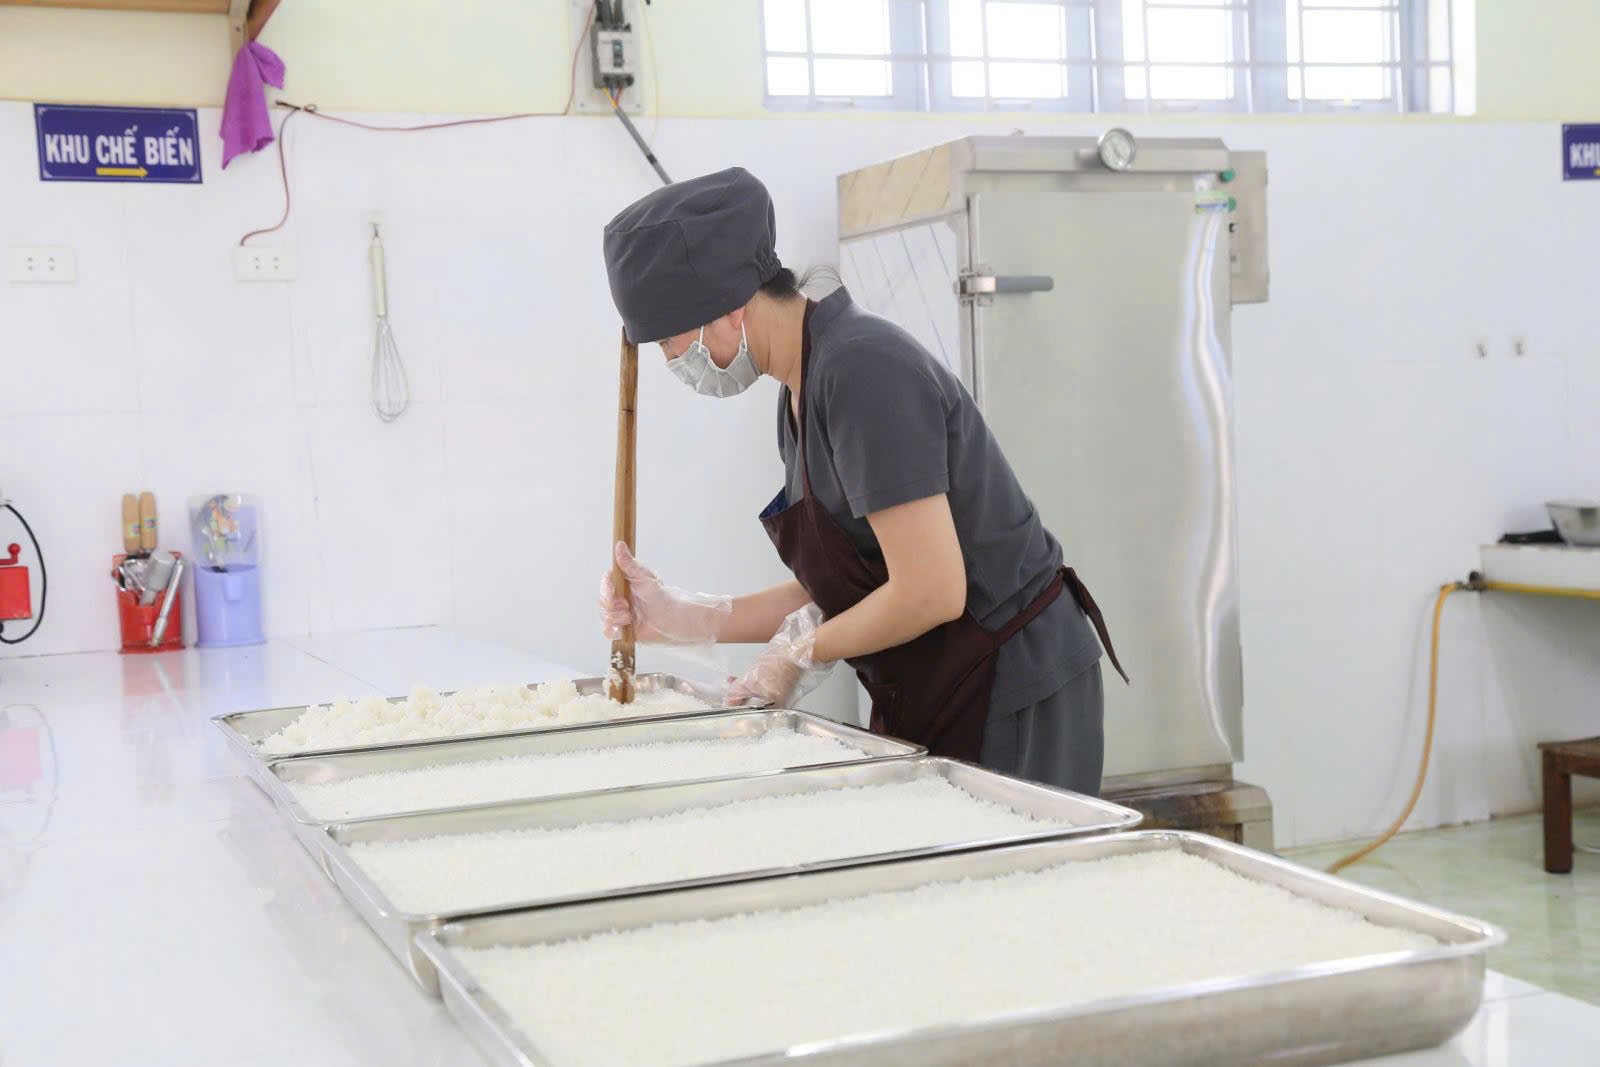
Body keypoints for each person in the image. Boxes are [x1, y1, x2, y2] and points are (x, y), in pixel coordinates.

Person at [596, 167, 1126, 796]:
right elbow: (847, 584)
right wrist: (687, 616)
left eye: (669, 341)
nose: (670, 361)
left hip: (1010, 686)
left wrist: (801, 653)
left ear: (728, 310)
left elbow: (931, 590)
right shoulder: (799, 389)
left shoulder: (861, 370)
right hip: (943, 680)